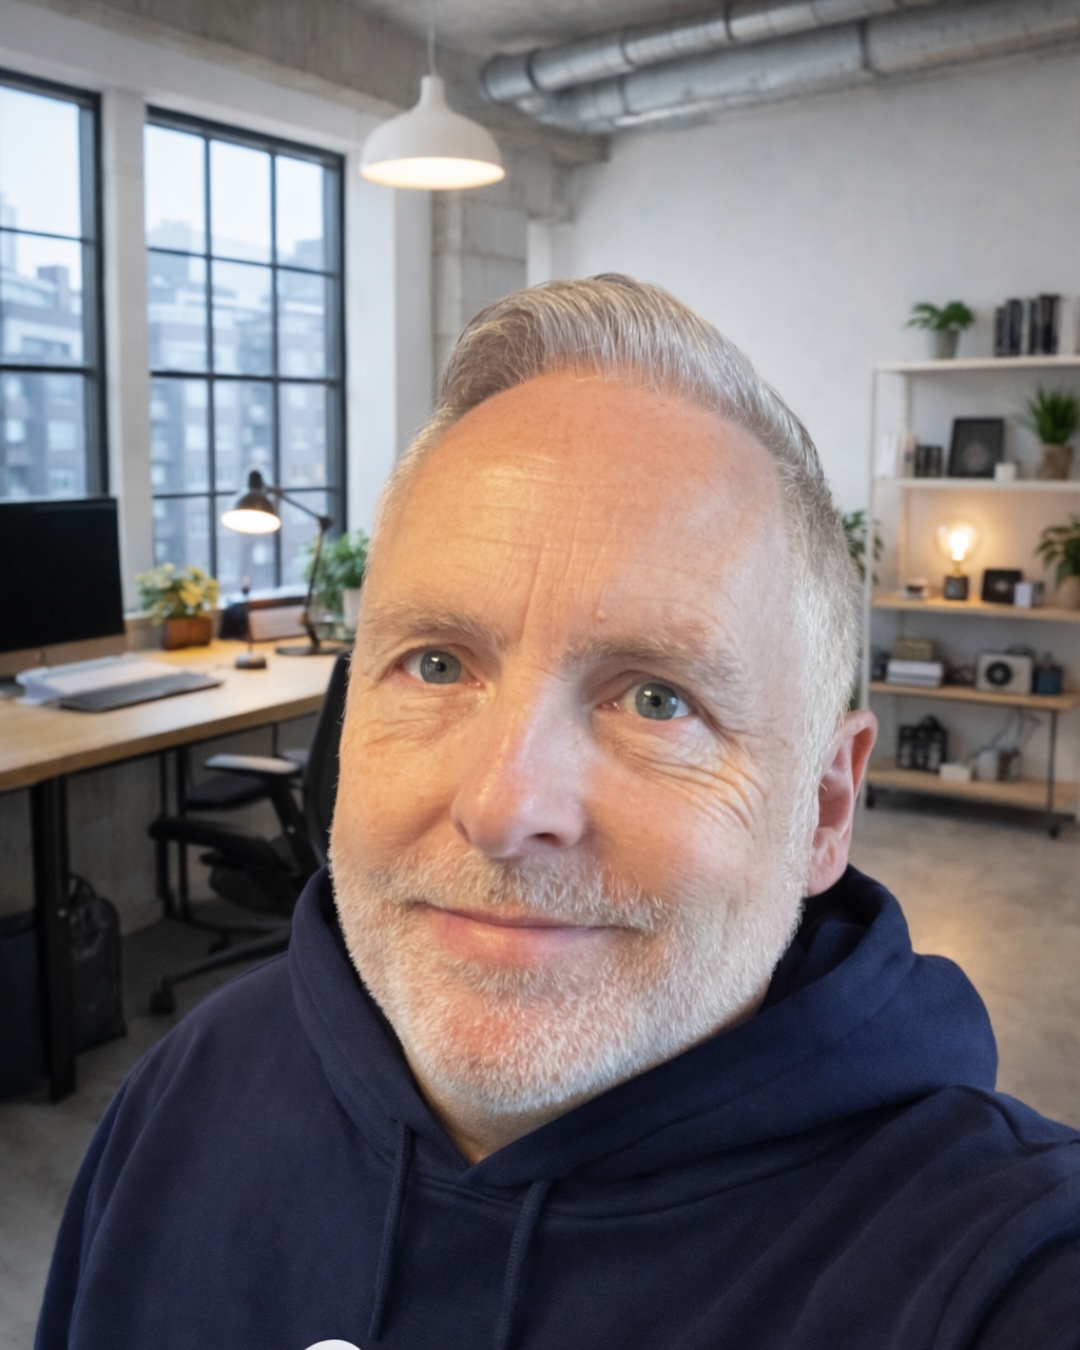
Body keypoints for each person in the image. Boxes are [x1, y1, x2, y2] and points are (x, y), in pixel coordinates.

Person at [38, 277, 1080, 1350]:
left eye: (658, 699)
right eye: (436, 664)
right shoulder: (188, 1092)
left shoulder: (996, 1270)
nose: (502, 808)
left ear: (823, 809)